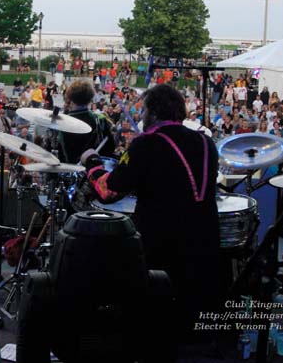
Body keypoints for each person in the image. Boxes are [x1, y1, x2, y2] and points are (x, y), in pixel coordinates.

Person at [81, 84, 220, 343]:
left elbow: (108, 191)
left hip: (162, 246)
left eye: (143, 110)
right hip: (204, 243)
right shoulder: (206, 142)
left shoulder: (146, 144)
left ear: (154, 112)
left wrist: (91, 163)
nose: (141, 116)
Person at [58, 80, 115, 163]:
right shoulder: (100, 120)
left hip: (68, 168)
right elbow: (110, 148)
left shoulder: (61, 122)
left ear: (70, 98)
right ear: (90, 99)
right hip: (93, 167)